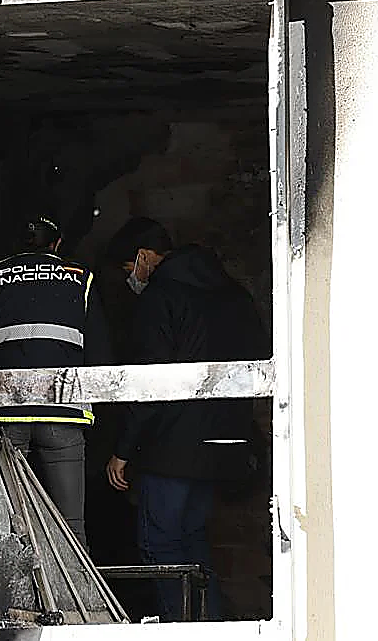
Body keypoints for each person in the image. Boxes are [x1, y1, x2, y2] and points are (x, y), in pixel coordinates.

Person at [103, 217, 268, 620]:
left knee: (160, 546)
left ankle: (179, 635)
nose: (131, 280)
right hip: (224, 444)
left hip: (171, 450)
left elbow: (151, 384)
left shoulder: (161, 297)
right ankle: (208, 629)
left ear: (144, 257)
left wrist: (123, 450)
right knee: (193, 541)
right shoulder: (235, 294)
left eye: (129, 270)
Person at [0, 215, 111, 548]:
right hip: (63, 413)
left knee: (7, 526)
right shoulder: (81, 279)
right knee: (71, 526)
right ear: (57, 245)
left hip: (7, 414)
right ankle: (74, 598)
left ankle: (6, 598)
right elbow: (100, 353)